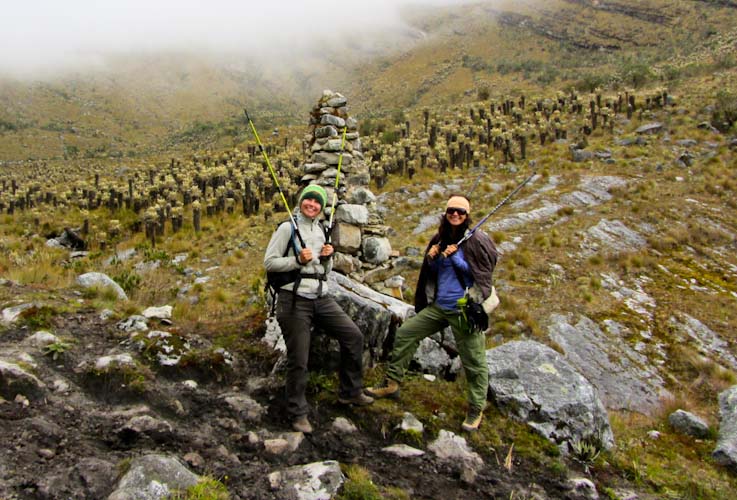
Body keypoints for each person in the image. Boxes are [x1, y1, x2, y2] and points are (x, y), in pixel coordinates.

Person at [366, 194, 498, 432]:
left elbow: (481, 274)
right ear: (445, 214)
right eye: (451, 211)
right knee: (406, 332)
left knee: (474, 361)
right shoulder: (440, 238)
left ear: (467, 216)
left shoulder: (476, 241)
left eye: (460, 212)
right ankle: (392, 383)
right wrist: (433, 259)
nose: (455, 215)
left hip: (463, 310)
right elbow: (435, 273)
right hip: (439, 306)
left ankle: (476, 409)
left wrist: (458, 259)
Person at [264, 184, 374, 434]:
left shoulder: (322, 229)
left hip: (321, 297)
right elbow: (269, 262)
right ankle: (297, 412)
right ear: (301, 201)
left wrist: (328, 257)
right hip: (293, 299)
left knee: (353, 336)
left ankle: (350, 392)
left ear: (322, 207)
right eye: (308, 200)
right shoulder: (286, 228)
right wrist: (296, 260)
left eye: (317, 202)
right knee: (299, 359)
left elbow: (324, 271)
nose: (312, 205)